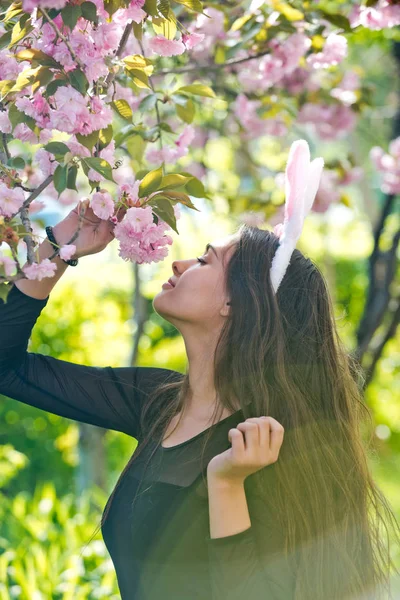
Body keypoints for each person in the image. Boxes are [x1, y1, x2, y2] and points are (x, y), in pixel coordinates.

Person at [1, 194, 399, 599]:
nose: (179, 263)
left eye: (205, 261)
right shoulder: (157, 401)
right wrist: (63, 244)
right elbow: (6, 367)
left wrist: (226, 483)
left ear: (235, 302)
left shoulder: (269, 442)